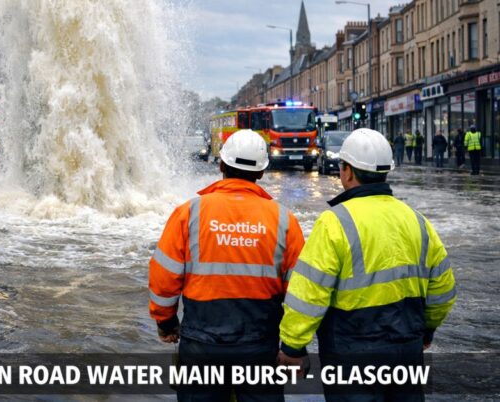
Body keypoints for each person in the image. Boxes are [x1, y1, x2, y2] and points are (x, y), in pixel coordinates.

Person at [277, 128, 456, 401]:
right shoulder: (416, 220)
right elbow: (443, 288)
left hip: (350, 352)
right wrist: (427, 328)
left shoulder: (335, 222)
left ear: (347, 172)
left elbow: (309, 293)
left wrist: (292, 346)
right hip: (407, 347)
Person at [149, 129, 305, 401]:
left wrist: (166, 322)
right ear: (261, 173)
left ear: (221, 165)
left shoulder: (188, 212)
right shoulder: (284, 219)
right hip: (260, 343)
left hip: (201, 342)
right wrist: (294, 346)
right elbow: (301, 291)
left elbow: (164, 277)